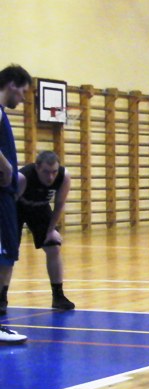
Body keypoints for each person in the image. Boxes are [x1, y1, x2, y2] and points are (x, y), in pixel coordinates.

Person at [11, 151, 76, 311]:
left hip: (39, 208)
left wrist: (51, 230)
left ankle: (58, 296)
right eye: (46, 172)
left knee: (53, 247)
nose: (50, 177)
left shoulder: (64, 177)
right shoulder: (23, 177)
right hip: (16, 210)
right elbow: (9, 204)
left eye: (54, 172)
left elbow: (59, 204)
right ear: (37, 167)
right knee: (8, 252)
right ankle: (1, 297)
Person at [0, 64, 32, 345]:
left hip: (6, 196)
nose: (23, 98)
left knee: (7, 256)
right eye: (23, 92)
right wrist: (7, 166)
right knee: (4, 257)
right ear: (12, 84)